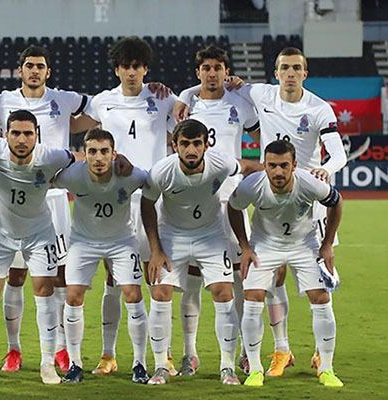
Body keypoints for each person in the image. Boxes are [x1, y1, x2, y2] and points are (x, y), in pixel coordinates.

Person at [176, 47, 347, 376]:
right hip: (271, 196)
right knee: (273, 276)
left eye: (296, 68)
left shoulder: (319, 108)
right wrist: (185, 94)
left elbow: (338, 154)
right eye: (285, 68)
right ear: (276, 72)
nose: (291, 73)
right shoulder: (260, 94)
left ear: (305, 73)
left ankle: (320, 352)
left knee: (321, 280)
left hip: (308, 199)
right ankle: (281, 349)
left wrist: (325, 170)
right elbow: (216, 82)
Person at [71, 36, 179, 375]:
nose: (131, 72)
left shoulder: (163, 98)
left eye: (137, 66)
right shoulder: (102, 101)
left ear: (146, 69)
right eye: (125, 66)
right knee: (114, 281)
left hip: (154, 200)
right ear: (116, 69)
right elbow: (67, 124)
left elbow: (188, 113)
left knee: (158, 281)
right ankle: (108, 354)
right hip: (115, 202)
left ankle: (163, 354)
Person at [0, 46, 88, 373]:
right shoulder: (2, 101)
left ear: (48, 71)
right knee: (15, 275)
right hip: (17, 200)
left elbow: (104, 108)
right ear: (20, 70)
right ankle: (13, 349)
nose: (34, 71)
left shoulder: (63, 99)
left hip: (55, 199)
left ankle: (60, 348)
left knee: (58, 276)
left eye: (40, 66)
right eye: (29, 65)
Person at [141, 119, 262, 385]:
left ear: (206, 145)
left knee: (224, 292)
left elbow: (245, 166)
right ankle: (161, 366)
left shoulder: (221, 163)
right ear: (175, 145)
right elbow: (147, 204)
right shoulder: (162, 171)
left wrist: (268, 168)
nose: (191, 150)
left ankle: (227, 367)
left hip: (211, 234)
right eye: (185, 144)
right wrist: (155, 249)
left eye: (197, 143)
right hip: (173, 235)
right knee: (160, 292)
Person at [0, 110, 75, 385]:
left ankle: (47, 363)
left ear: (37, 136)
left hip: (39, 235)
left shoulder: (51, 156)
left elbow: (78, 158)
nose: (21, 139)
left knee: (45, 293)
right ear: (5, 134)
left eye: (28, 133)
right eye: (15, 133)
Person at [227, 140, 344, 388]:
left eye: (283, 165)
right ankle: (255, 369)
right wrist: (245, 246)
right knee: (252, 297)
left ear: (294, 165)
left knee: (321, 298)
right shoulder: (252, 184)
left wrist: (327, 244)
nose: (278, 171)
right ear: (265, 165)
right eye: (272, 166)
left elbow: (336, 202)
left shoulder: (310, 182)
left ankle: (326, 368)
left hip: (304, 245)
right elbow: (233, 207)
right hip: (265, 245)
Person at [176, 45, 260, 376]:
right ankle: (190, 353)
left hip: (232, 201)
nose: (212, 73)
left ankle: (244, 352)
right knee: (193, 281)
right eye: (207, 68)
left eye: (218, 68)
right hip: (193, 202)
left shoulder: (241, 103)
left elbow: (264, 133)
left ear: (227, 71)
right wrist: (185, 94)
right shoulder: (186, 105)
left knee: (241, 279)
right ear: (198, 72)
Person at [54, 129, 149, 384]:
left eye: (104, 151)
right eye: (92, 151)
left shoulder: (131, 175)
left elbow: (154, 185)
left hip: (122, 241)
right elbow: (45, 179)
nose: (98, 157)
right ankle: (75, 364)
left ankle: (140, 364)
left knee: (133, 294)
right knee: (73, 295)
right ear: (84, 154)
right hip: (83, 242)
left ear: (113, 153)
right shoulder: (73, 175)